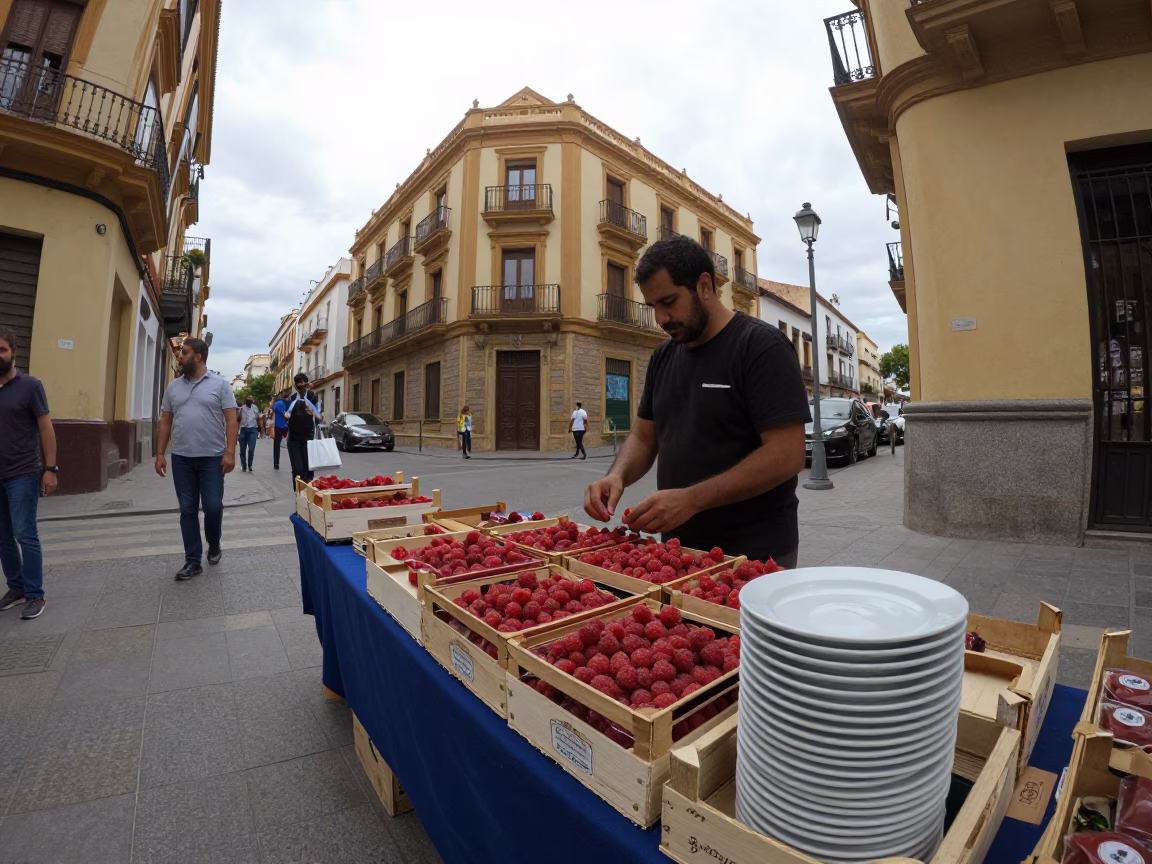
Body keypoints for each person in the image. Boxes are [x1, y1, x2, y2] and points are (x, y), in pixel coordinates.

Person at [584, 236, 809, 567]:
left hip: (755, 553)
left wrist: (692, 499)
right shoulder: (663, 356)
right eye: (653, 307)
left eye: (669, 302)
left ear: (705, 286)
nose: (660, 318)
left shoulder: (762, 347)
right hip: (678, 549)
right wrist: (616, 475)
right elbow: (645, 436)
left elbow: (787, 454)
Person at [156, 337, 238, 580]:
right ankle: (192, 560)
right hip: (181, 458)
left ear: (198, 356)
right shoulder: (174, 387)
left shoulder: (220, 385)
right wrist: (160, 453)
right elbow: (165, 420)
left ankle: (214, 543)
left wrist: (230, 452)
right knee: (187, 510)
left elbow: (232, 420)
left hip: (212, 459)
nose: (180, 356)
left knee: (212, 507)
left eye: (185, 352)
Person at [0, 326, 57, 619]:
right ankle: (17, 587)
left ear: (13, 352)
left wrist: (50, 468)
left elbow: (46, 429)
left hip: (22, 472)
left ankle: (35, 595)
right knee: (3, 536)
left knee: (25, 533)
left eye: (2, 350)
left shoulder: (30, 386)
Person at [284, 373, 322, 484]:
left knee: (309, 470)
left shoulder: (313, 397)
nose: (300, 385)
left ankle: (308, 497)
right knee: (297, 471)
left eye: (302, 382)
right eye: (298, 382)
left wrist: (313, 413)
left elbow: (320, 417)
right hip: (293, 439)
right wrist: (286, 416)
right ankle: (298, 496)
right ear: (295, 385)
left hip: (309, 439)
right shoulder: (291, 399)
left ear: (306, 383)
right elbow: (287, 415)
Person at [238, 396, 260, 471]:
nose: (250, 401)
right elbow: (237, 420)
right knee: (243, 449)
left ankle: (250, 465)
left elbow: (258, 418)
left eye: (251, 400)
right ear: (246, 401)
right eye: (248, 400)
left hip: (253, 430)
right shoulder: (241, 409)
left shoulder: (255, 408)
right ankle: (244, 465)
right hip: (243, 429)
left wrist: (260, 429)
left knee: (251, 448)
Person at [272, 390, 289, 469]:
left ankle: (276, 462)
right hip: (284, 426)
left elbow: (274, 410)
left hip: (278, 426)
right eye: (286, 392)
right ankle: (276, 463)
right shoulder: (284, 403)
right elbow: (285, 415)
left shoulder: (277, 403)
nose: (287, 393)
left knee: (277, 444)